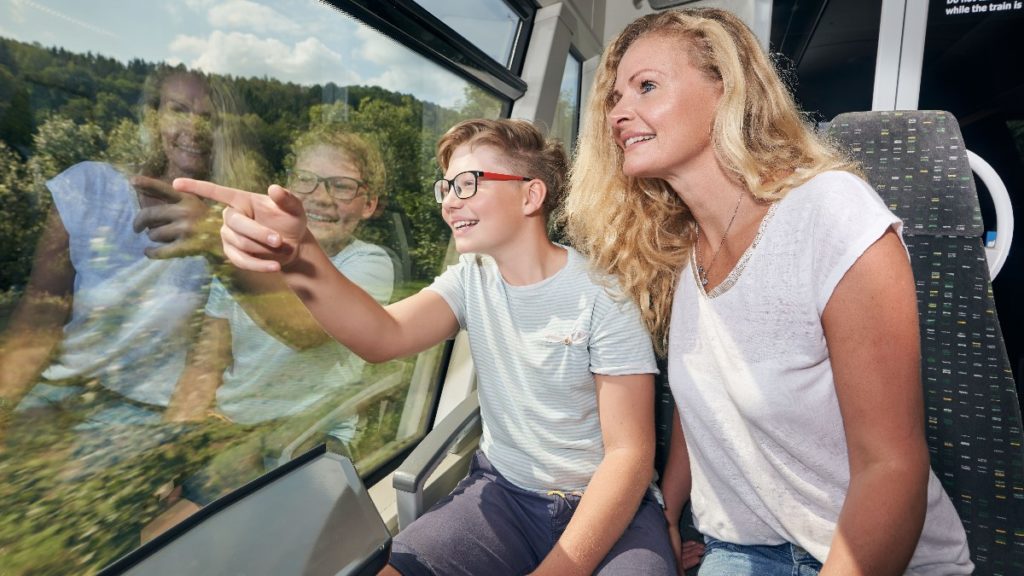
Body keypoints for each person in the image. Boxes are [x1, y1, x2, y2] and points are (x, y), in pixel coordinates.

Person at [561, 7, 972, 576]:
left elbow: (891, 467)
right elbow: (703, 399)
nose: (618, 113)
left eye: (646, 87)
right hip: (741, 549)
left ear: (724, 89)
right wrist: (669, 512)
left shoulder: (828, 212)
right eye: (613, 97)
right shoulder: (685, 255)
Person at [175, 118, 677, 575]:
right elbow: (381, 337)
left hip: (610, 509)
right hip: (504, 495)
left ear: (530, 196)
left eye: (467, 184)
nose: (448, 201)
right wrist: (299, 251)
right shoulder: (471, 279)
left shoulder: (603, 298)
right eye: (446, 187)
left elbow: (629, 456)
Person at [0, 64, 261, 452]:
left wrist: (173, 445)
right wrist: (6, 406)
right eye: (178, 110)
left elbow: (215, 357)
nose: (195, 128)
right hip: (58, 391)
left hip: (145, 414)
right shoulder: (88, 187)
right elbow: (40, 313)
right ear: (153, 117)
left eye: (210, 118)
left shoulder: (235, 227)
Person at [158, 127, 394, 509]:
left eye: (342, 186)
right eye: (306, 180)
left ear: (368, 204)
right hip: (230, 432)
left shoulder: (368, 264)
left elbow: (306, 331)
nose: (320, 197)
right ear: (286, 188)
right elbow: (205, 365)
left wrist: (215, 248)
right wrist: (171, 453)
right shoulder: (245, 258)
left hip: (306, 439)